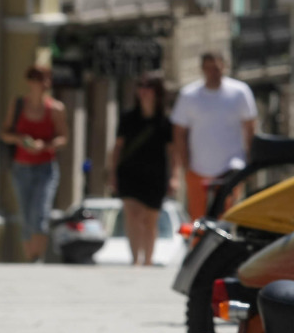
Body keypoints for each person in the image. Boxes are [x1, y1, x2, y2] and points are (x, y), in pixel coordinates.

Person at [170, 51, 257, 221]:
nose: (213, 73)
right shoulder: (189, 95)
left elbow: (250, 128)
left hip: (230, 167)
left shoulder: (240, 92)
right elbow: (179, 133)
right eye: (208, 69)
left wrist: (250, 161)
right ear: (202, 69)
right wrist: (185, 165)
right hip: (198, 168)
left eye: (216, 68)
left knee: (227, 217)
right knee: (198, 219)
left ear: (224, 67)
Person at [0, 66, 68, 262]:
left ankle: (37, 259)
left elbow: (63, 138)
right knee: (26, 216)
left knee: (40, 214)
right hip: (20, 168)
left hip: (45, 168)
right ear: (30, 81)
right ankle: (30, 258)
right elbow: (5, 134)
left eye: (48, 79)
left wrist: (44, 145)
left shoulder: (56, 108)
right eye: (41, 79)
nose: (45, 84)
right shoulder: (18, 104)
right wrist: (21, 140)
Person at [108, 73, 177, 266]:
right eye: (141, 87)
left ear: (157, 92)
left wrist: (174, 177)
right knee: (132, 215)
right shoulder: (128, 118)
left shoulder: (165, 121)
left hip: (155, 174)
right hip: (129, 172)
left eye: (149, 87)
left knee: (149, 219)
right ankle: (135, 260)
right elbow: (118, 147)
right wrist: (112, 173)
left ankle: (148, 260)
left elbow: (172, 153)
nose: (144, 91)